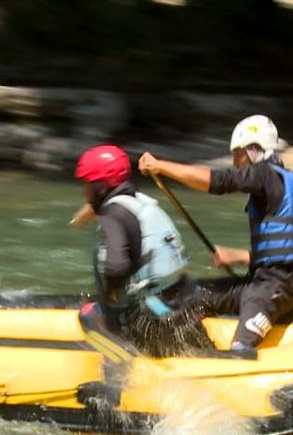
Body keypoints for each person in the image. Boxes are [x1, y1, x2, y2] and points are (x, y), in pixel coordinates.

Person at [138, 115, 293, 355]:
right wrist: (237, 256)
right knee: (191, 294)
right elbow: (282, 253)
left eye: (239, 154)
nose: (236, 162)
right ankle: (180, 346)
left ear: (255, 151)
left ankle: (233, 354)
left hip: (273, 290)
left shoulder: (265, 175)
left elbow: (219, 181)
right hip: (260, 284)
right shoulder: (283, 181)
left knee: (240, 348)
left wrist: (160, 167)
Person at [73, 145, 207, 355]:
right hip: (179, 304)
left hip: (149, 318)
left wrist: (109, 295)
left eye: (87, 184)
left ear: (101, 185)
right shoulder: (142, 204)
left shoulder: (112, 215)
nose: (84, 190)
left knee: (88, 314)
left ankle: (121, 372)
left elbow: (116, 267)